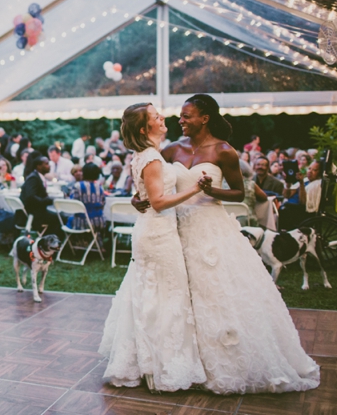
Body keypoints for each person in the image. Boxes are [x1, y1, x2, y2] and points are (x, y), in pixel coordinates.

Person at [134, 94, 320, 394]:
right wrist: (140, 196)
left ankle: (223, 362)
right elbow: (155, 180)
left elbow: (239, 192)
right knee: (182, 298)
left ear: (204, 118)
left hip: (211, 228)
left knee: (217, 293)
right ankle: (183, 361)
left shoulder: (224, 151)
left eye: (186, 115)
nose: (180, 120)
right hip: (175, 230)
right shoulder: (171, 149)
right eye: (180, 116)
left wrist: (213, 191)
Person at [100, 102, 205, 392]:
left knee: (152, 295)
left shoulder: (146, 155)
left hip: (153, 231)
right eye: (156, 116)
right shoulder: (152, 158)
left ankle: (147, 362)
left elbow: (143, 193)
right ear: (145, 128)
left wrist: (138, 197)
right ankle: (163, 365)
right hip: (157, 234)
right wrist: (194, 189)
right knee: (166, 296)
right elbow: (158, 202)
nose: (163, 117)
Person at [20, 151, 62, 238]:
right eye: (46, 164)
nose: (49, 165)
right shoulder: (33, 178)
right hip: (34, 215)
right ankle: (50, 241)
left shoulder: (38, 176)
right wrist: (46, 200)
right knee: (60, 217)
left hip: (36, 212)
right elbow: (30, 196)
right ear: (38, 166)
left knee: (59, 215)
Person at [279, 160, 322, 230]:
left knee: (282, 211)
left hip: (298, 211)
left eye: (314, 170)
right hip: (289, 205)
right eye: (309, 168)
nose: (310, 171)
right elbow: (287, 195)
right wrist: (287, 182)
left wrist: (301, 183)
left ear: (319, 173)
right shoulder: (306, 180)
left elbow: (303, 202)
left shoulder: (316, 185)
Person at [68, 163, 107, 234]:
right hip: (99, 222)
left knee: (69, 219)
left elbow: (72, 205)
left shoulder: (78, 186)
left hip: (82, 222)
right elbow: (103, 204)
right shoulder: (100, 187)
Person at [237, 160, 267, 227]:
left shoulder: (221, 184)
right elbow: (264, 197)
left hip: (226, 218)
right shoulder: (250, 184)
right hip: (247, 221)